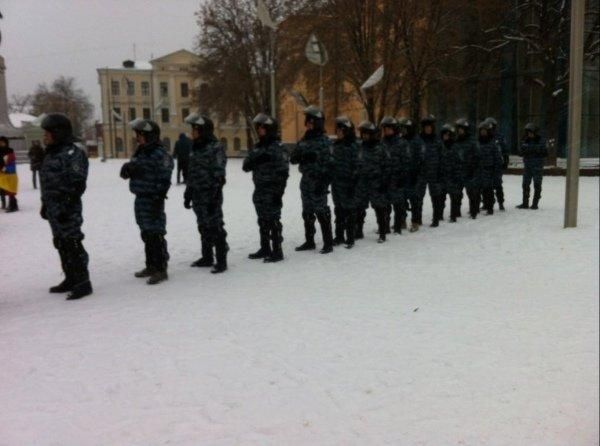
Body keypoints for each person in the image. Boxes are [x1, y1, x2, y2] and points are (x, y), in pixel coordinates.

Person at [39, 114, 92, 300]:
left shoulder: (73, 153)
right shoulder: (52, 153)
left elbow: (78, 184)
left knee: (73, 242)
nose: (44, 136)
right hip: (54, 208)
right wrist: (45, 204)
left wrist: (66, 206)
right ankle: (70, 278)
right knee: (60, 242)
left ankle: (83, 281)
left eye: (48, 132)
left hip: (68, 209)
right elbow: (47, 182)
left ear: (58, 132)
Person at [120, 119, 174, 285]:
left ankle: (161, 268)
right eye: (137, 134)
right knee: (146, 234)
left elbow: (165, 176)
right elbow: (137, 168)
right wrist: (128, 169)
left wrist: (159, 196)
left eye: (141, 135)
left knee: (155, 234)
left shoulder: (160, 153)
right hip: (140, 199)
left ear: (150, 135)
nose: (138, 138)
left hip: (153, 199)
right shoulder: (141, 152)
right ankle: (151, 265)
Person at [183, 113, 229, 273]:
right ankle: (207, 256)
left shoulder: (215, 147)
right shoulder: (196, 147)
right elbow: (192, 172)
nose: (192, 132)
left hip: (211, 194)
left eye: (195, 129)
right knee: (203, 226)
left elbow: (219, 174)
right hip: (197, 194)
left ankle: (221, 260)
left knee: (215, 226)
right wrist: (188, 192)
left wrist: (214, 196)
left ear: (203, 130)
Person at [243, 113, 289, 262]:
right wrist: (256, 160)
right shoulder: (257, 148)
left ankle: (277, 250)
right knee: (262, 220)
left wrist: (279, 193)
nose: (260, 129)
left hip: (272, 191)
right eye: (259, 127)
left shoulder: (278, 148)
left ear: (270, 129)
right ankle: (265, 248)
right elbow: (246, 166)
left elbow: (284, 172)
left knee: (273, 220)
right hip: (259, 191)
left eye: (263, 127)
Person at [290, 105, 334, 254]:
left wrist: (324, 183)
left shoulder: (324, 142)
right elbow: (293, 159)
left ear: (318, 122)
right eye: (307, 121)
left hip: (319, 182)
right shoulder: (304, 140)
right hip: (306, 181)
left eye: (311, 121)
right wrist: (302, 157)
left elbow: (331, 165)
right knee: (307, 212)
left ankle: (328, 242)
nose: (308, 124)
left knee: (321, 212)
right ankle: (309, 241)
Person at [356, 120, 391, 243]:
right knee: (359, 208)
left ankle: (382, 232)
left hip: (377, 184)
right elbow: (356, 165)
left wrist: (384, 182)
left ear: (371, 134)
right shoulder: (360, 148)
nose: (364, 136)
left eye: (366, 134)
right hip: (362, 184)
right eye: (363, 134)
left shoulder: (381, 148)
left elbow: (387, 166)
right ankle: (358, 231)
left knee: (380, 209)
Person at [331, 116, 359, 248]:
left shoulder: (353, 146)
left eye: (341, 130)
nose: (338, 132)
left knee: (349, 211)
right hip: (336, 184)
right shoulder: (335, 146)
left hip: (348, 184)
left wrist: (353, 183)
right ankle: (339, 236)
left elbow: (357, 166)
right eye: (337, 130)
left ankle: (350, 237)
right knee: (338, 211)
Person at [380, 116, 411, 234]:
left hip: (398, 179)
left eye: (389, 129)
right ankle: (385, 226)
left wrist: (402, 177)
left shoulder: (402, 143)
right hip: (385, 179)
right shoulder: (382, 143)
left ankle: (398, 226)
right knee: (385, 205)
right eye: (385, 129)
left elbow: (406, 162)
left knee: (398, 205)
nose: (387, 131)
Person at [417, 116, 444, 228]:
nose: (428, 129)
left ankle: (436, 219)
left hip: (434, 172)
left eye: (430, 127)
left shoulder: (437, 140)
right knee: (418, 197)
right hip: (421, 172)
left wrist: (440, 172)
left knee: (435, 196)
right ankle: (417, 219)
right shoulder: (419, 140)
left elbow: (442, 157)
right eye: (426, 127)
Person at [399, 118, 425, 232]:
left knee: (415, 200)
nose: (403, 131)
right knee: (402, 199)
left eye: (405, 129)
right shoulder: (400, 141)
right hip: (404, 175)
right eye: (402, 129)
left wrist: (417, 172)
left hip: (415, 175)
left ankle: (415, 222)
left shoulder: (417, 141)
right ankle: (402, 221)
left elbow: (422, 158)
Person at [454, 118, 481, 219]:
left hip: (470, 171)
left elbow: (478, 156)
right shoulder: (456, 141)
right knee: (456, 193)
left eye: (462, 129)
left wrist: (473, 168)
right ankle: (456, 212)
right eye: (459, 129)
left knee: (472, 192)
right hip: (458, 170)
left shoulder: (472, 141)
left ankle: (473, 211)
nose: (460, 131)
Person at [517, 123, 548, 210]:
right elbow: (520, 152)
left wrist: (530, 149)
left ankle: (535, 203)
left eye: (531, 132)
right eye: (528, 132)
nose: (529, 134)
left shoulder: (540, 140)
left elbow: (544, 152)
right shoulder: (525, 140)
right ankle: (525, 203)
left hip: (537, 166)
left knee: (537, 184)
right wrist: (526, 149)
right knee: (525, 184)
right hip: (527, 166)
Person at [478, 120, 503, 215]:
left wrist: (496, 170)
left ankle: (490, 207)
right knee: (482, 189)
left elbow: (497, 158)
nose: (483, 132)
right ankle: (485, 204)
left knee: (489, 189)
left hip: (490, 169)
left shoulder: (492, 144)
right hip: (480, 170)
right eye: (481, 130)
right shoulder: (478, 143)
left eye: (485, 130)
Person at [440, 124, 463, 222]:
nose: (445, 137)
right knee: (440, 197)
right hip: (442, 175)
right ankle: (439, 215)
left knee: (454, 196)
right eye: (444, 134)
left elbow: (460, 162)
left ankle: (454, 215)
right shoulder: (440, 146)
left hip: (453, 175)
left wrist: (457, 174)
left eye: (447, 135)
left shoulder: (456, 147)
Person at [485, 117, 508, 211]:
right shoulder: (484, 137)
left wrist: (505, 160)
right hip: (486, 164)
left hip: (497, 164)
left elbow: (505, 149)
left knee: (498, 184)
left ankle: (501, 202)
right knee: (486, 185)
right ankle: (487, 202)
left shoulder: (500, 136)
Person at [0, 136, 18, 212]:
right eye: (0, 142)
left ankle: (13, 205)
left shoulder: (10, 151)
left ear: (6, 143)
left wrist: (5, 168)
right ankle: (4, 203)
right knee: (2, 189)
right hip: (1, 174)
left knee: (11, 190)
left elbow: (11, 161)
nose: (1, 144)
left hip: (10, 174)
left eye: (2, 142)